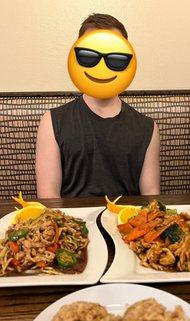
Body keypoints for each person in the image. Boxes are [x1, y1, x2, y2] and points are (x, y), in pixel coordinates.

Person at [35, 13, 160, 198]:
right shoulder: (52, 121)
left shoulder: (148, 127)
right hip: (72, 222)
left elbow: (151, 196)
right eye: (88, 56)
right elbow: (48, 197)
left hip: (125, 223)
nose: (102, 67)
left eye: (115, 59)